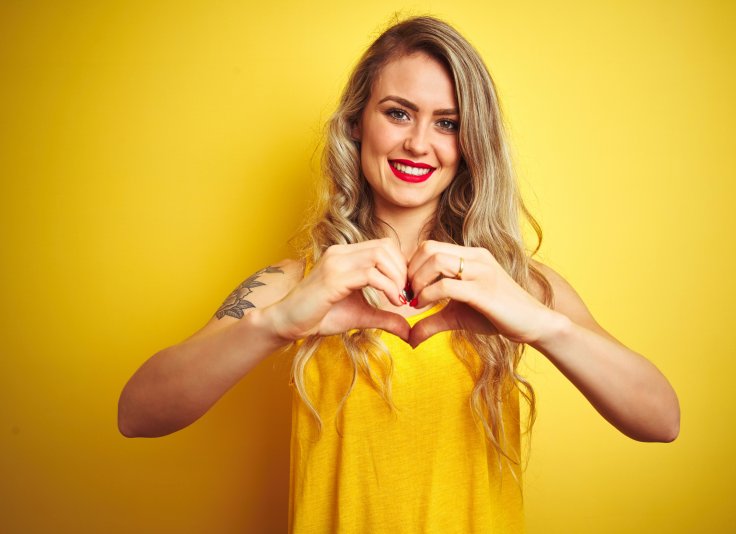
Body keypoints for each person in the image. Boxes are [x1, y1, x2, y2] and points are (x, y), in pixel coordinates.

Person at [118, 16, 680, 533]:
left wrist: (542, 325)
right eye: (398, 112)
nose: (418, 142)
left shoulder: (518, 285)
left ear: (470, 142)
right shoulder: (295, 282)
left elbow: (660, 418)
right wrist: (278, 324)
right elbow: (138, 412)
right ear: (358, 123)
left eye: (448, 122)